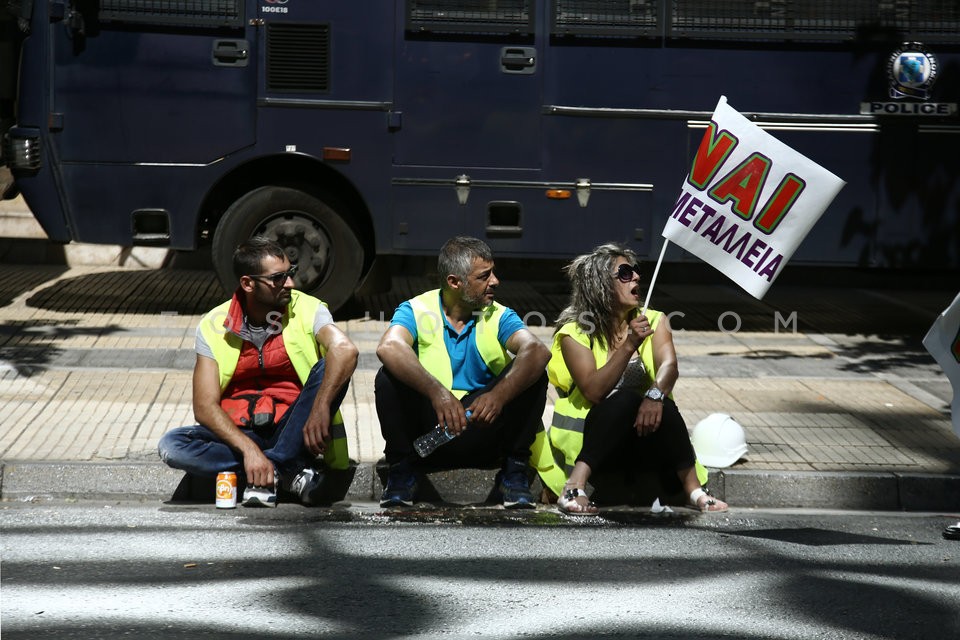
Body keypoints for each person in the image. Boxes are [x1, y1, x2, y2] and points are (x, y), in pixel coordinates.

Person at [158, 236, 358, 506]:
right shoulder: (213, 324)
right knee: (173, 445)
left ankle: (270, 470)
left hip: (293, 429)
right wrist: (250, 450)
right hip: (240, 433)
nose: (290, 283)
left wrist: (321, 406)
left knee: (331, 364)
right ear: (248, 283)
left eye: (291, 273)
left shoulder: (308, 308)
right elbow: (204, 407)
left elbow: (346, 350)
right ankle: (286, 471)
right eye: (278, 278)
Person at [530, 242, 727, 515]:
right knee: (624, 400)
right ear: (600, 285)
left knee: (664, 403)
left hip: (643, 445)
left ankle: (694, 490)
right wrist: (629, 344)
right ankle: (574, 487)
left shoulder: (655, 320)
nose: (635, 276)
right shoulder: (574, 332)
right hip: (595, 450)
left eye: (635, 271)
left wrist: (655, 394)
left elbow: (669, 366)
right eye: (624, 273)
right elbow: (594, 391)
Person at [375, 236, 551, 508]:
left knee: (535, 371)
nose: (495, 281)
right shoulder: (417, 309)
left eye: (492, 273)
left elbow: (537, 351)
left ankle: (514, 472)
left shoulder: (498, 314)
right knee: (387, 377)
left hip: (483, 430)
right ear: (455, 282)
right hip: (431, 436)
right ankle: (401, 471)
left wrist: (498, 397)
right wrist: (438, 394)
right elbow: (389, 346)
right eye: (484, 276)